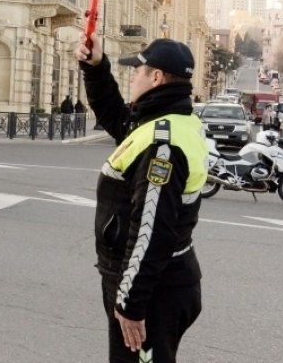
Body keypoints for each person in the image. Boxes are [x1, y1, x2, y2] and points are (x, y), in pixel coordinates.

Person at [74, 34, 207, 363]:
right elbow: (117, 118)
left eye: (137, 71)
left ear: (156, 77)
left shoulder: (163, 145)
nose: (132, 77)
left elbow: (151, 231)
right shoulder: (170, 120)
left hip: (153, 292)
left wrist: (131, 305)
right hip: (161, 281)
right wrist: (96, 67)